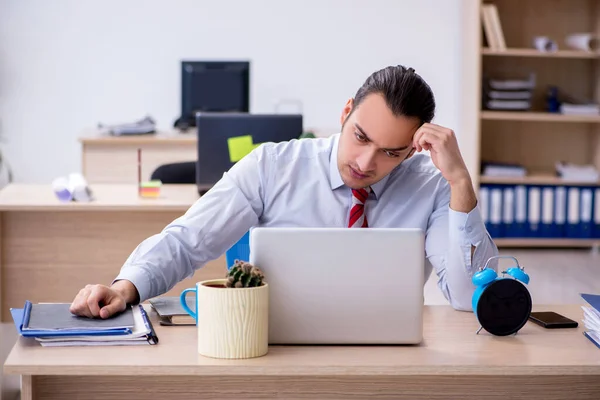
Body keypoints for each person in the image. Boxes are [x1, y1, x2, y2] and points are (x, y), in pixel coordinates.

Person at [70, 65, 498, 319]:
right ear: (346, 112)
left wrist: (460, 183)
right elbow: (188, 240)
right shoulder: (274, 166)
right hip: (276, 350)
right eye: (361, 137)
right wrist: (127, 287)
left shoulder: (432, 183)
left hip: (388, 357)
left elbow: (465, 298)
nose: (367, 163)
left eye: (390, 152)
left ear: (412, 149)